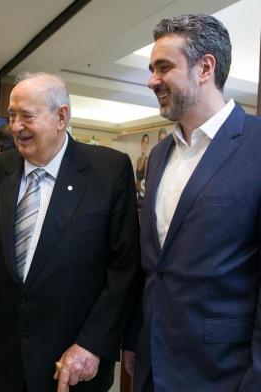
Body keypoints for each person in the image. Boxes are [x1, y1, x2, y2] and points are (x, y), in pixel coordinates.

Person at [0, 72, 141, 392]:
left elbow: (124, 269)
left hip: (71, 365)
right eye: (12, 115)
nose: (15, 126)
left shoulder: (109, 171)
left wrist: (92, 344)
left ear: (61, 116)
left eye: (26, 116)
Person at [124, 14, 261, 391]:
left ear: (205, 68)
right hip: (152, 364)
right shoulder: (158, 155)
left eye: (163, 67)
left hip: (223, 374)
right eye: (152, 68)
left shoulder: (256, 145)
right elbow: (155, 268)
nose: (152, 80)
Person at [135, 134, 149, 211]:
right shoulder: (138, 160)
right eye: (144, 142)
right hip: (137, 195)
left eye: (147, 142)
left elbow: (147, 180)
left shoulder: (148, 160)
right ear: (141, 143)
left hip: (143, 197)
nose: (145, 145)